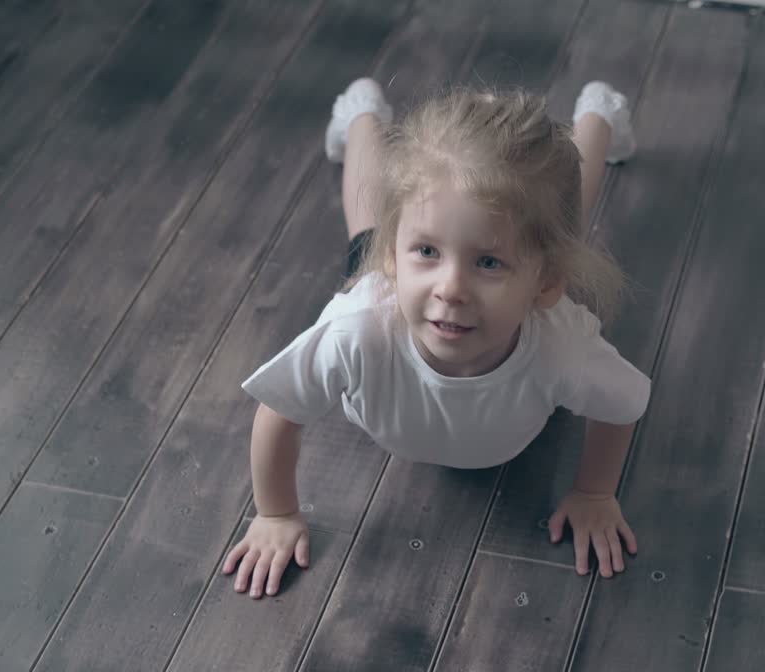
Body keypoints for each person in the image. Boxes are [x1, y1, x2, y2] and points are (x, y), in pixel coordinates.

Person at [222, 78, 651, 599]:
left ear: (545, 284)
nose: (450, 289)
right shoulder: (356, 332)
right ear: (395, 255)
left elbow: (621, 407)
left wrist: (595, 492)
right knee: (367, 222)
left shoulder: (562, 348)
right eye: (426, 251)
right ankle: (361, 114)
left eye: (488, 262)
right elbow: (278, 411)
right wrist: (276, 512)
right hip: (385, 292)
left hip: (516, 277)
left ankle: (599, 116)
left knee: (560, 222)